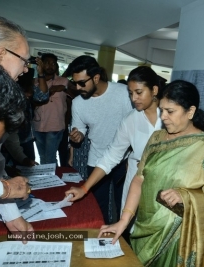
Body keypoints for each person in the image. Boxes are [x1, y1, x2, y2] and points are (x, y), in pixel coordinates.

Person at [98, 80, 204, 267]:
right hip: (146, 227)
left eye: (170, 111)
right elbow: (139, 178)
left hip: (178, 237)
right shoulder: (156, 138)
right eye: (162, 110)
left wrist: (186, 196)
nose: (163, 117)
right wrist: (123, 221)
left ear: (190, 111)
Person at [66, 66, 164, 241]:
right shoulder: (131, 120)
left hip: (164, 186)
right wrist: (84, 188)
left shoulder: (170, 117)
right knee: (133, 234)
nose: (134, 99)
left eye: (139, 92)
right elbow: (111, 156)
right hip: (135, 184)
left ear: (154, 90)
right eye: (131, 93)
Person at [0, 16, 34, 238]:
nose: (25, 70)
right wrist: (6, 189)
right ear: (1, 54)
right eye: (24, 60)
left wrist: (12, 216)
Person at [67, 55, 133, 224]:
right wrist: (78, 135)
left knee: (124, 205)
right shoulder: (78, 103)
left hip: (123, 161)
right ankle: (101, 243)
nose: (77, 87)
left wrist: (132, 156)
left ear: (96, 77)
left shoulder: (123, 94)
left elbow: (135, 127)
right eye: (75, 83)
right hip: (97, 160)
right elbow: (80, 129)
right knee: (98, 207)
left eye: (82, 83)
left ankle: (123, 241)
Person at [33, 53, 69, 164]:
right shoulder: (34, 82)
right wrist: (50, 91)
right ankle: (46, 180)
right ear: (41, 65)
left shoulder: (63, 81)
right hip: (37, 125)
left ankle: (52, 180)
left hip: (55, 126)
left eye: (53, 63)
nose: (50, 66)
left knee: (50, 158)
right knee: (42, 157)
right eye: (48, 63)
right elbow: (36, 100)